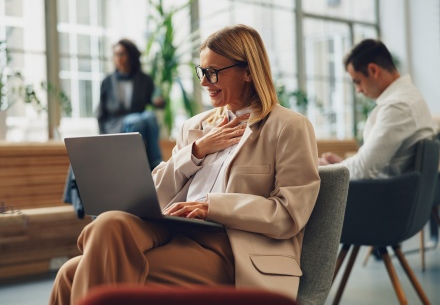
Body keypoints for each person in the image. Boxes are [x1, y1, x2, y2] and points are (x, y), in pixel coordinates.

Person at [49, 24, 320, 305]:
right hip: (174, 230)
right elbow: (155, 193)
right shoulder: (195, 127)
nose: (204, 82)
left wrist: (211, 206)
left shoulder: (288, 127)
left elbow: (288, 215)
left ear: (248, 71)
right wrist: (196, 151)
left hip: (233, 249)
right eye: (202, 72)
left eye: (213, 72)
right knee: (108, 223)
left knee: (71, 274)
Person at [319, 39, 435, 179]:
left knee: (314, 180)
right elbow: (372, 164)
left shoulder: (398, 106)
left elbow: (364, 169)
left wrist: (327, 170)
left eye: (358, 81)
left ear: (373, 70)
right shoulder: (410, 97)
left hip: (383, 196)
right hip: (394, 191)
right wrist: (342, 164)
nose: (358, 90)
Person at [97, 38, 164, 169]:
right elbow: (101, 112)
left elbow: (156, 101)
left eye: (121, 54)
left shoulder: (144, 79)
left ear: (131, 56)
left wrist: (159, 102)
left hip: (139, 120)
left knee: (149, 116)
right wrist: (101, 140)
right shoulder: (107, 81)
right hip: (115, 124)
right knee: (137, 120)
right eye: (115, 54)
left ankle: (156, 163)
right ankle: (143, 165)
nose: (117, 58)